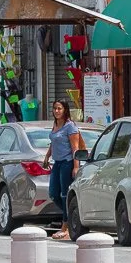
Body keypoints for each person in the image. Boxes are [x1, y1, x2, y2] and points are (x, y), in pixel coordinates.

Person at [45, 98, 87, 239]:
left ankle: (65, 226)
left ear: (65, 110)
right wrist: (46, 157)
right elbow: (53, 142)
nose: (57, 111)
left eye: (60, 109)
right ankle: (72, 215)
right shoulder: (56, 124)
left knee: (64, 194)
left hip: (67, 163)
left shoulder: (70, 127)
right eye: (55, 108)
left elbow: (75, 148)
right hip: (57, 163)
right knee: (53, 194)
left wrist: (76, 167)